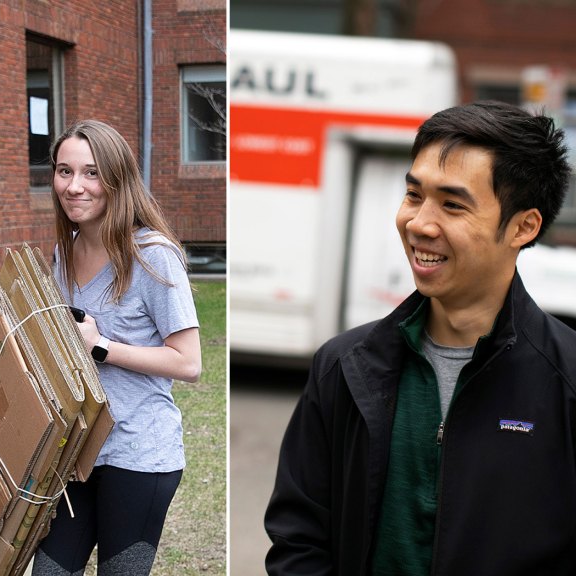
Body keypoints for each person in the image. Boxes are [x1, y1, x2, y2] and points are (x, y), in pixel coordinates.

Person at [264, 100, 576, 575]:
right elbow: (299, 537)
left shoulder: (567, 378)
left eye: (452, 205)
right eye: (413, 195)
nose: (418, 223)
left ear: (522, 226)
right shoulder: (343, 366)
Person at [32, 119, 202, 576]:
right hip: (78, 452)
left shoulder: (152, 254)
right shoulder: (62, 255)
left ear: (116, 180)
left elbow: (188, 363)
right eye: (64, 172)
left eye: (91, 173)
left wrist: (101, 345)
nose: (75, 186)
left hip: (140, 456)